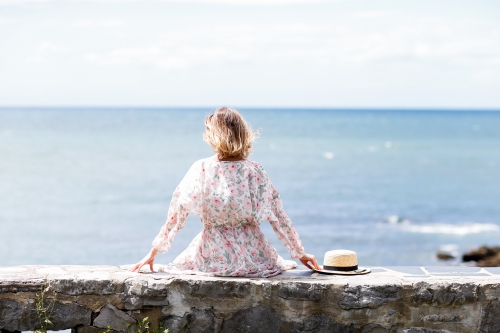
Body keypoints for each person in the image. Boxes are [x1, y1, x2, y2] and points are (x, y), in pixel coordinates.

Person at [131, 107, 320, 277]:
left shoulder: (202, 168)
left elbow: (176, 214)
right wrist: (298, 252)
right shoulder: (254, 170)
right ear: (244, 134)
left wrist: (154, 251)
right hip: (255, 258)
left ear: (212, 136)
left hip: (211, 257)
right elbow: (278, 216)